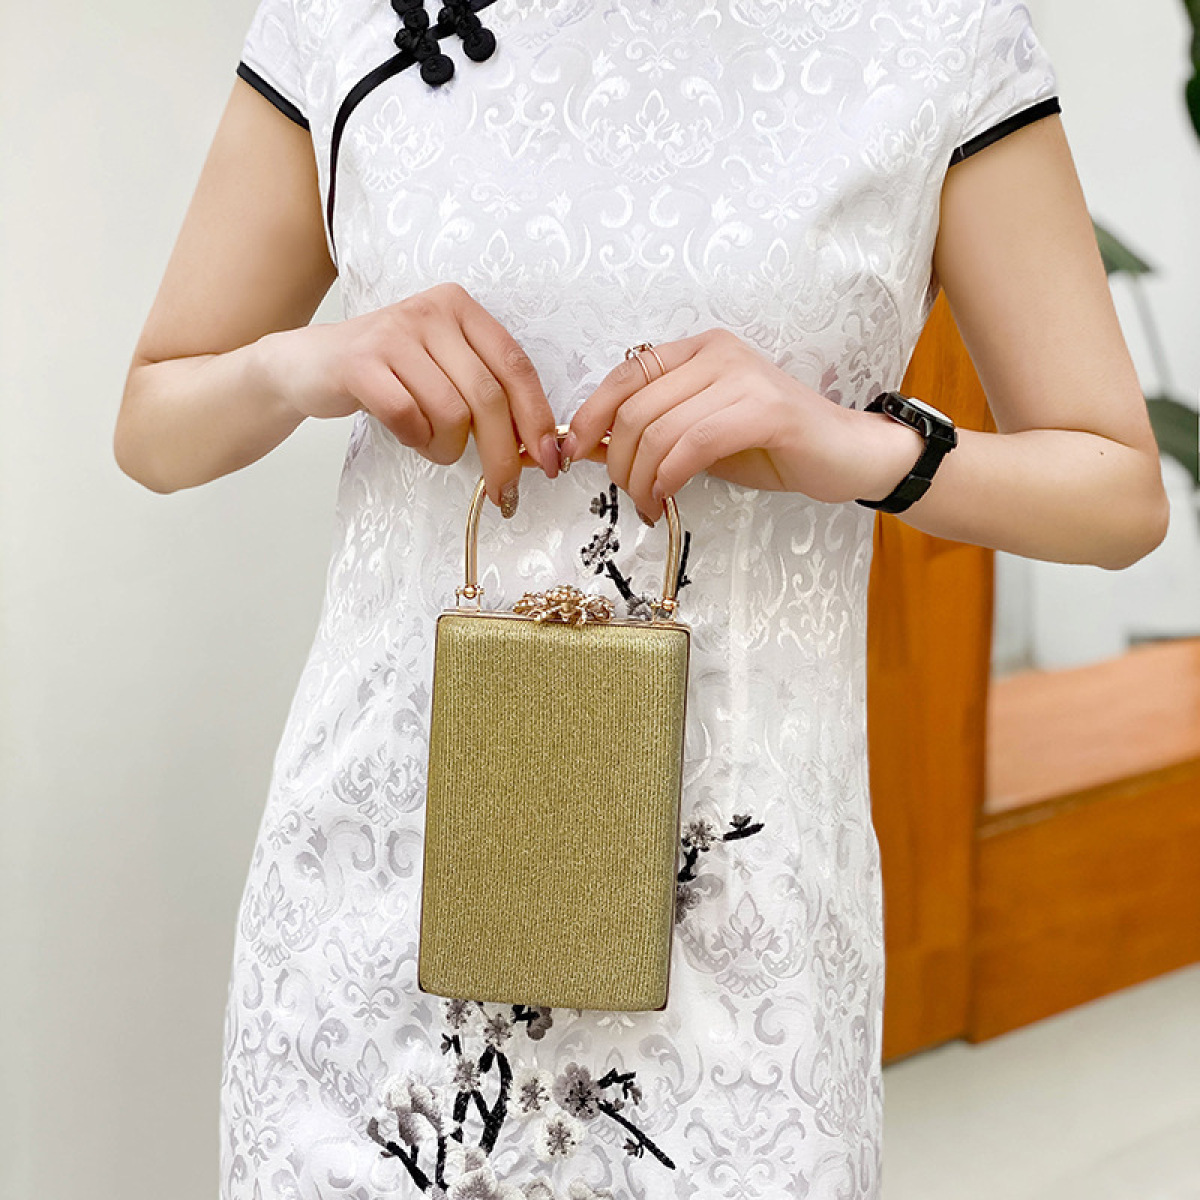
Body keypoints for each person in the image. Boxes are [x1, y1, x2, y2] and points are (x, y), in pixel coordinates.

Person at [114, 2, 1169, 1197]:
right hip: (375, 922)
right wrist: (311, 360)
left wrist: (847, 445)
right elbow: (155, 424)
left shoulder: (938, 29)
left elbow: (1118, 493)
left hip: (740, 957)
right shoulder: (341, 16)